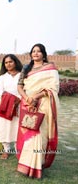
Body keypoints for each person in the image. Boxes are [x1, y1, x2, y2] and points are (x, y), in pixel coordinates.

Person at [16, 43, 59, 179]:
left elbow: (53, 87)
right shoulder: (26, 68)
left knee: (40, 134)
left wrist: (36, 96)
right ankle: (26, 163)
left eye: (39, 51)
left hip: (44, 103)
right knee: (28, 133)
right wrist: (28, 98)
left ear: (43, 54)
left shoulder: (50, 69)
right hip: (27, 104)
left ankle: (37, 164)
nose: (35, 53)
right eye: (33, 51)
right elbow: (19, 86)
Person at [0, 54, 23, 159]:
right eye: (6, 62)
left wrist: (19, 99)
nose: (8, 64)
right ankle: (6, 150)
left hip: (19, 105)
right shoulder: (2, 77)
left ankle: (18, 149)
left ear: (15, 62)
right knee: (5, 126)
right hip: (5, 105)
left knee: (17, 126)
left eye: (10, 62)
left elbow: (25, 89)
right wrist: (11, 100)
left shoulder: (22, 75)